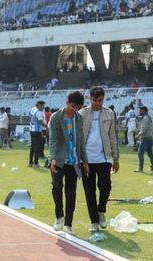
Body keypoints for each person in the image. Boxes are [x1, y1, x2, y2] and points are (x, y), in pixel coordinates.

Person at [48, 91, 89, 235]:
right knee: (56, 187)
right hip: (58, 159)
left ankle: (68, 223)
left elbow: (81, 141)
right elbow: (52, 140)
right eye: (72, 106)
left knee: (71, 193)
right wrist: (52, 157)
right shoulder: (56, 118)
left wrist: (85, 161)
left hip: (74, 161)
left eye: (77, 107)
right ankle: (59, 216)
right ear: (67, 102)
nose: (74, 109)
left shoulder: (78, 118)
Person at [78, 86, 119, 232]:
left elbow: (113, 136)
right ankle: (94, 221)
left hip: (104, 157)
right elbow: (77, 138)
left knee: (105, 186)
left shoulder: (109, 113)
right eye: (95, 100)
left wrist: (116, 158)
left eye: (100, 100)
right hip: (86, 159)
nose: (97, 103)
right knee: (89, 191)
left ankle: (101, 210)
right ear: (90, 98)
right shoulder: (81, 114)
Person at [134, 106, 153, 173]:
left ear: (144, 111)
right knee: (150, 153)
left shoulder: (145, 119)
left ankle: (140, 168)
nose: (139, 112)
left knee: (140, 153)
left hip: (145, 138)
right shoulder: (148, 117)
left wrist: (138, 135)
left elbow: (144, 130)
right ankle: (152, 167)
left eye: (140, 111)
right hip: (149, 137)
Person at [28, 100, 46, 167]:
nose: (43, 107)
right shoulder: (39, 112)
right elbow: (41, 122)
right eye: (43, 106)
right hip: (37, 131)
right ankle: (36, 163)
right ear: (39, 105)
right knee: (37, 147)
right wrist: (47, 127)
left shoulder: (33, 109)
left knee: (32, 147)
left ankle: (30, 162)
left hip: (32, 130)